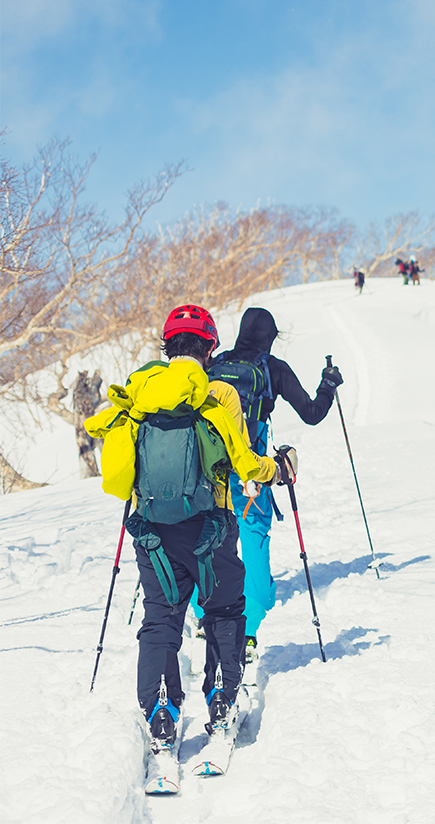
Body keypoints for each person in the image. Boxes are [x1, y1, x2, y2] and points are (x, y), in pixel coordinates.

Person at [84, 305, 293, 755]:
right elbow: (245, 463)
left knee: (161, 617)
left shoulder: (139, 392)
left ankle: (161, 710)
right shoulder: (219, 395)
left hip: (151, 532)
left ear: (167, 345)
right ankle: (221, 700)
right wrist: (278, 469)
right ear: (209, 347)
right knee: (222, 610)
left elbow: (120, 474)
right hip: (210, 529)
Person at [191, 307, 343, 665]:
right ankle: (251, 620)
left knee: (211, 536)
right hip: (252, 472)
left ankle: (204, 610)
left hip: (210, 470)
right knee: (253, 536)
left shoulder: (217, 363)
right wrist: (329, 384)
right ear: (270, 336)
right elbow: (312, 413)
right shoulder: (272, 368)